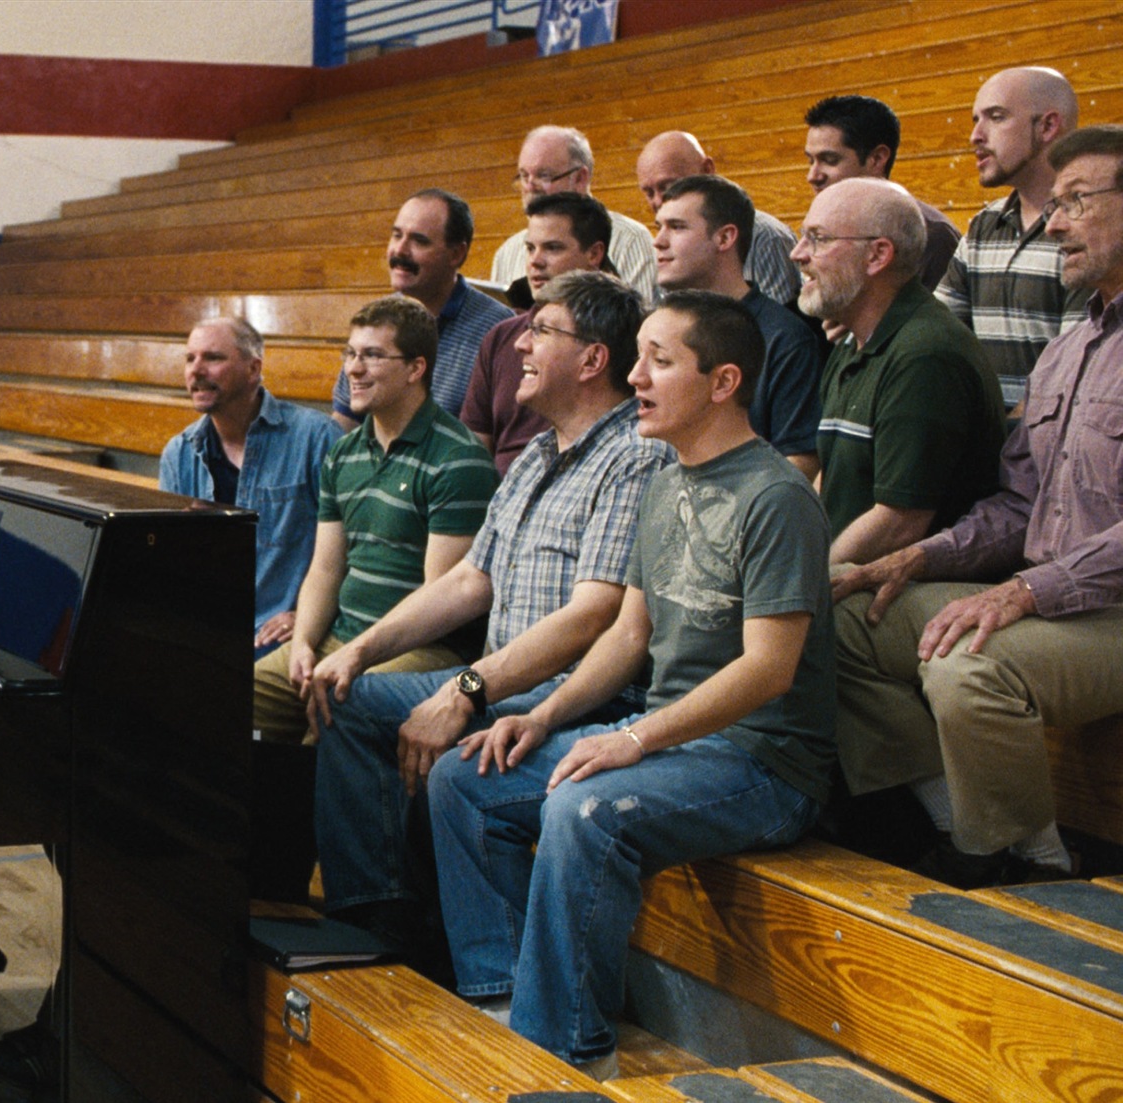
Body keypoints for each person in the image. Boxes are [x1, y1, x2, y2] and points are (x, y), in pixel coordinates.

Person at [430, 291, 832, 1077]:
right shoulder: (664, 481)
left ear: (722, 382)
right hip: (676, 741)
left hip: (763, 763)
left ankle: (567, 1055)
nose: (636, 376)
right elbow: (628, 634)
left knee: (585, 809)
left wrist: (634, 737)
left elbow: (768, 669)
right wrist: (542, 717)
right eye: (637, 355)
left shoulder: (776, 495)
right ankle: (504, 999)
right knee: (467, 772)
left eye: (660, 360)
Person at [308, 272, 664, 942]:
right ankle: (372, 924)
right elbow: (472, 580)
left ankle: (472, 969)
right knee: (346, 693)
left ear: (592, 359)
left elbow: (594, 617)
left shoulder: (635, 456)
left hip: (578, 695)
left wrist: (465, 690)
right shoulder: (534, 451)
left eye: (543, 331)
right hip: (501, 680)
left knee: (452, 764)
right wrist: (362, 648)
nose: (519, 344)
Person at [829, 125, 1123, 890]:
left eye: (1077, 202)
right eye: (1053, 204)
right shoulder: (1070, 348)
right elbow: (1019, 502)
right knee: (841, 617)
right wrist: (921, 556)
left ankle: (1015, 865)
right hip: (1053, 595)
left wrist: (1025, 590)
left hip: (1110, 610)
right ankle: (978, 828)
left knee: (971, 668)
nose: (1053, 223)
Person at [252, 296, 497, 742]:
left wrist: (357, 656)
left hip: (421, 650)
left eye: (372, 355)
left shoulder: (457, 459)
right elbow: (326, 569)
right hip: (340, 638)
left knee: (335, 712)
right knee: (228, 694)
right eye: (350, 353)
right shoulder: (344, 453)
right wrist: (304, 644)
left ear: (415, 369)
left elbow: (440, 604)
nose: (353, 369)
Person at [794, 177, 1004, 565]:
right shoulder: (853, 343)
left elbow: (899, 523)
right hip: (849, 574)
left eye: (818, 238)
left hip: (910, 592)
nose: (797, 253)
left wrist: (810, 586)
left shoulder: (925, 355)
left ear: (877, 255)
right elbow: (831, 477)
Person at [159, 316, 341, 657]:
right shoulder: (178, 453)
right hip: (210, 627)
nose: (196, 370)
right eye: (190, 358)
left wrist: (308, 615)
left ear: (253, 369)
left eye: (213, 358)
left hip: (284, 631)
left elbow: (353, 548)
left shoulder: (316, 438)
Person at [936, 66, 1088, 412]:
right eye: (976, 119)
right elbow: (937, 331)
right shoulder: (985, 225)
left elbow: (1073, 374)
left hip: (1054, 450)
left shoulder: (1089, 226)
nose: (975, 135)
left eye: (996, 117)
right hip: (994, 446)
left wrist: (999, 442)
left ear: (1048, 126)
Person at [653, 174, 824, 477]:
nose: (659, 241)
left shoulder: (784, 339)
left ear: (725, 238)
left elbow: (801, 463)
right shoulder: (656, 330)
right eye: (659, 227)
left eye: (677, 227)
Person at [460, 192, 615, 474]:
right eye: (530, 248)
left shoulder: (625, 336)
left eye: (552, 248)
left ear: (594, 254)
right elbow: (473, 452)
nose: (535, 261)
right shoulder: (501, 337)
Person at [330, 190, 512, 427]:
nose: (400, 251)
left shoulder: (496, 329)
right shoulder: (377, 318)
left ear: (456, 254)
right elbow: (345, 423)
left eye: (419, 241)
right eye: (397, 236)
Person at [803, 94, 961, 290]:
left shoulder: (932, 235)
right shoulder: (820, 229)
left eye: (829, 160)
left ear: (877, 159)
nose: (813, 175)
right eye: (811, 161)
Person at [489, 126, 659, 305]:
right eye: (524, 176)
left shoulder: (630, 240)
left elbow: (640, 324)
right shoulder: (506, 253)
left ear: (580, 178)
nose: (530, 187)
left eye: (544, 176)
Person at [634, 131, 800, 307]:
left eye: (668, 186)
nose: (659, 201)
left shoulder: (766, 236)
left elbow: (775, 324)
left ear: (707, 170)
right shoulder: (664, 246)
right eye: (649, 193)